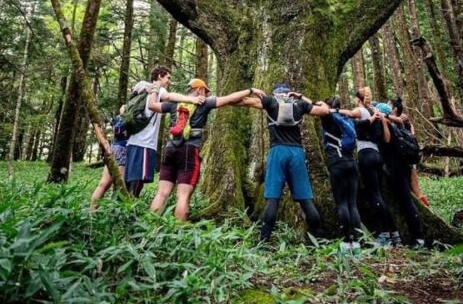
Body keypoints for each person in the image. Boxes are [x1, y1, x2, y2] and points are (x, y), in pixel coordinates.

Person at [150, 79, 266, 220]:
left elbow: (152, 106)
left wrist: (154, 89)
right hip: (189, 151)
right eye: (205, 91)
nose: (205, 94)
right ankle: (179, 230)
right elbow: (229, 98)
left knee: (161, 193)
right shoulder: (203, 103)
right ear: (199, 90)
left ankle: (151, 227)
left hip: (170, 149)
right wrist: (251, 90)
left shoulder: (174, 102)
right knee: (183, 195)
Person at [239, 83, 330, 242]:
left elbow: (243, 101)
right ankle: (320, 239)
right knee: (305, 199)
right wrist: (301, 97)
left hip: (277, 151)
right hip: (297, 153)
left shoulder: (270, 102)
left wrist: (247, 93)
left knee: (272, 198)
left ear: (275, 94)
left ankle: (264, 240)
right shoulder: (299, 105)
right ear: (289, 94)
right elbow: (324, 110)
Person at [125, 67, 205, 197]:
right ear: (159, 77)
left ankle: (121, 206)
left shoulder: (142, 86)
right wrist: (191, 99)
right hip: (144, 142)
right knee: (138, 179)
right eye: (168, 77)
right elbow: (168, 96)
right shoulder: (159, 89)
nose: (169, 81)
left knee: (130, 178)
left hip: (132, 140)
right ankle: (129, 209)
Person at [341, 88, 397, 246]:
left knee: (374, 196)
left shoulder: (361, 110)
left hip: (366, 154)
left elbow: (350, 114)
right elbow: (385, 137)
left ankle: (384, 234)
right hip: (377, 154)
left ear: (357, 99)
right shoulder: (376, 113)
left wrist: (334, 110)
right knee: (379, 194)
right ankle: (394, 233)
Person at [378, 97, 425, 248]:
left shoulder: (392, 126)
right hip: (406, 165)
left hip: (397, 167)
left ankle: (418, 237)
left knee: (406, 201)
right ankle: (417, 235)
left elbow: (387, 141)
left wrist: (383, 119)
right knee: (407, 199)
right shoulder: (402, 125)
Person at [321, 96, 363, 255]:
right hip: (351, 163)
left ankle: (347, 241)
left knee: (342, 204)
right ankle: (357, 243)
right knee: (352, 204)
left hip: (336, 164)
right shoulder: (347, 117)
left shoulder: (327, 118)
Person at [90, 105, 128, 210]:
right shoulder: (124, 119)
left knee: (104, 183)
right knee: (117, 184)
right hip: (121, 150)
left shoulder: (119, 118)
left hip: (113, 149)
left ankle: (92, 210)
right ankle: (95, 210)